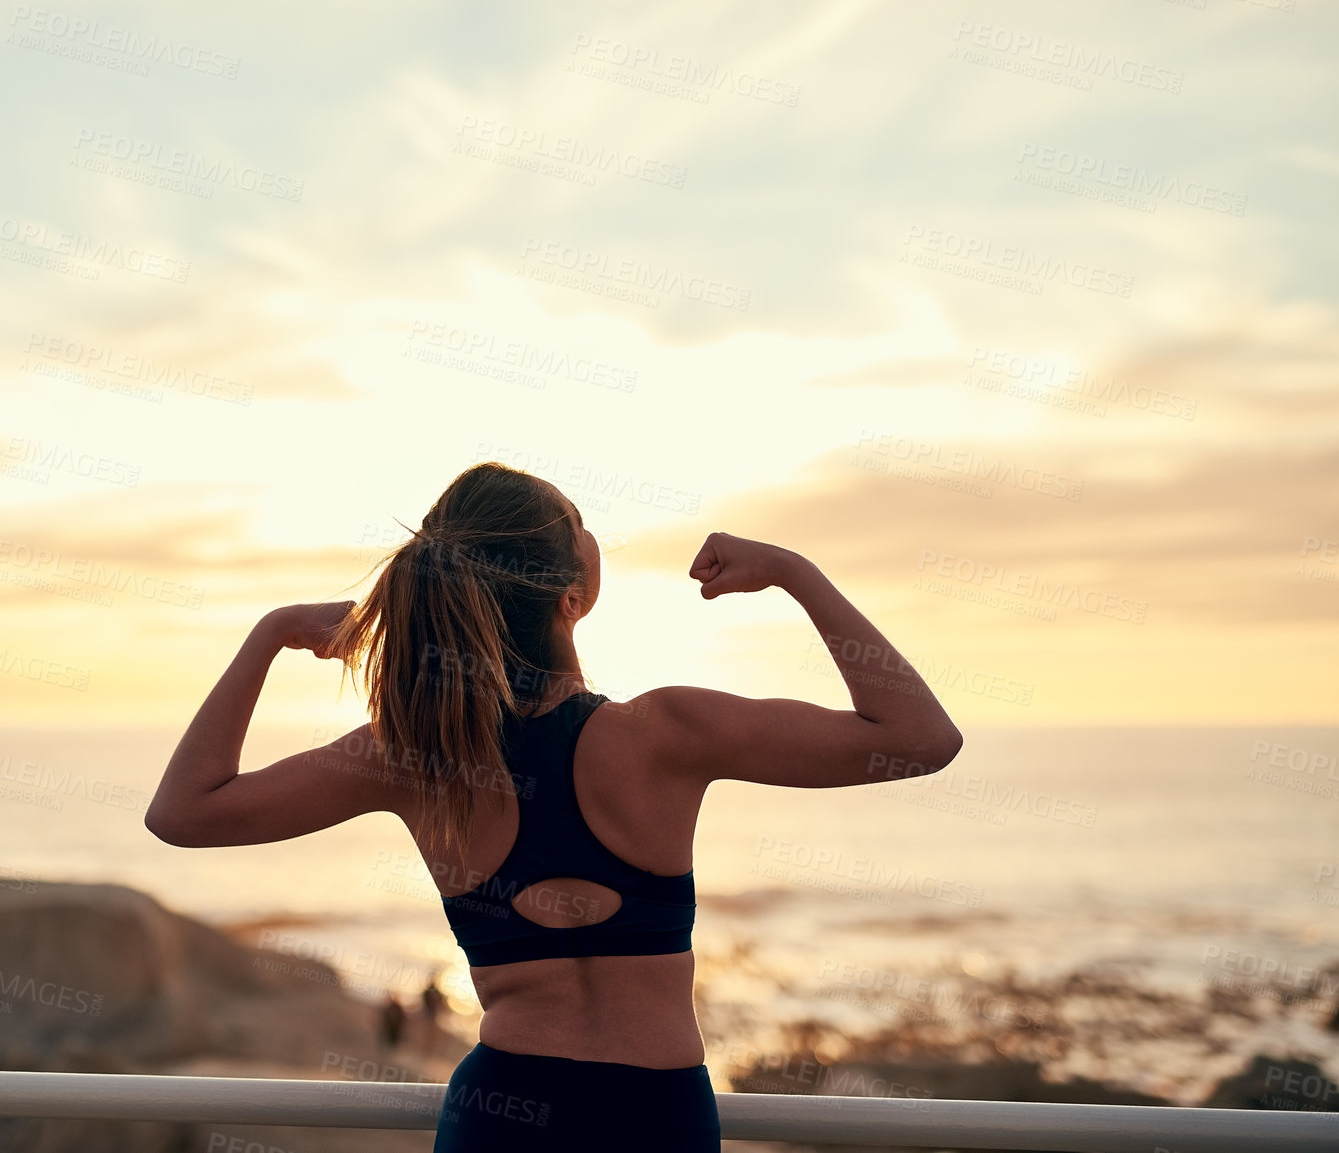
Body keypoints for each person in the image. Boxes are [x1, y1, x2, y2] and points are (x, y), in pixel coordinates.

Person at [146, 462, 964, 1151]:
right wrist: (792, 571)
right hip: (654, 1114)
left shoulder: (408, 758)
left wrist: (270, 634)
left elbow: (184, 812)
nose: (592, 532)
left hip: (501, 1111)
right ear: (569, 595)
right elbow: (920, 736)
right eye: (579, 522)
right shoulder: (667, 731)